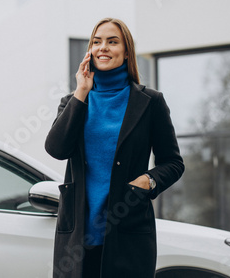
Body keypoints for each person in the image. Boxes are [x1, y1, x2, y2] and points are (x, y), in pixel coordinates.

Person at [45, 18, 184, 278]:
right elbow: (56, 149)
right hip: (77, 237)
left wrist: (147, 181)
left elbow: (173, 163)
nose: (103, 48)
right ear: (89, 51)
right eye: (97, 42)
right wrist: (81, 92)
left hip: (128, 231)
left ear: (126, 51)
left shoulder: (150, 102)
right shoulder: (74, 101)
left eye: (112, 41)